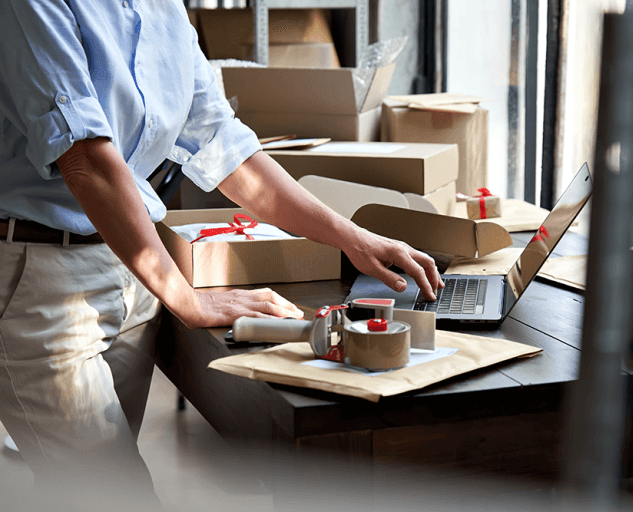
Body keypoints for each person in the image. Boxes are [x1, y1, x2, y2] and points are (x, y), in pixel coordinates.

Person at [0, 0, 442, 507]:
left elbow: (225, 146)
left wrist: (353, 238)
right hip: (41, 275)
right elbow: (87, 161)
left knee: (76, 491)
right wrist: (188, 300)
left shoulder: (162, 9)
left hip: (128, 266)